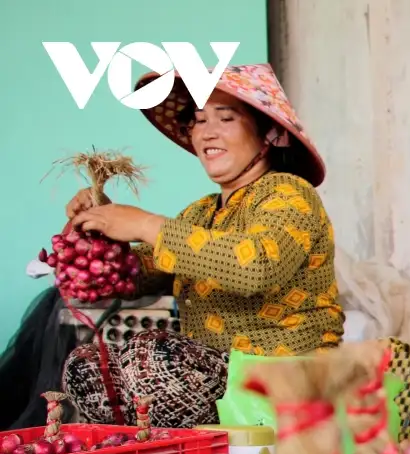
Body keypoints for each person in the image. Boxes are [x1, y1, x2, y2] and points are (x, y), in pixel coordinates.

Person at [61, 64, 344, 428]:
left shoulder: (290, 194)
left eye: (225, 118)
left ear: (269, 133)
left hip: (286, 380)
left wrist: (145, 224)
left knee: (153, 356)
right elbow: (131, 277)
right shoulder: (200, 213)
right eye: (197, 120)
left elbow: (254, 267)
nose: (207, 131)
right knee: (88, 369)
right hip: (220, 379)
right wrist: (91, 235)